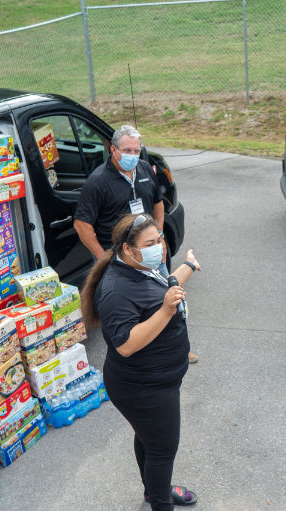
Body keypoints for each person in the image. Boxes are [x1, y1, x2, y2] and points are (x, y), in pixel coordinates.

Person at [81, 213, 201, 510]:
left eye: (160, 239)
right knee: (162, 449)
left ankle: (153, 491)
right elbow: (126, 345)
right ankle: (161, 503)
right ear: (127, 249)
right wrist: (165, 312)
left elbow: (166, 288)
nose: (159, 247)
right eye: (150, 243)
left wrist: (187, 266)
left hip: (158, 380)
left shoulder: (142, 267)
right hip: (144, 388)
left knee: (149, 438)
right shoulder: (115, 290)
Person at [74, 125, 198, 363]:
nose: (133, 155)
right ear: (113, 150)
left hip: (148, 250)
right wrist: (103, 257)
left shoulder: (144, 168)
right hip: (120, 256)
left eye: (136, 150)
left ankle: (178, 346)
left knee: (168, 295)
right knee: (130, 304)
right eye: (127, 150)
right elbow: (82, 224)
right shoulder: (98, 181)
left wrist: (159, 240)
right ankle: (141, 350)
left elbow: (158, 204)